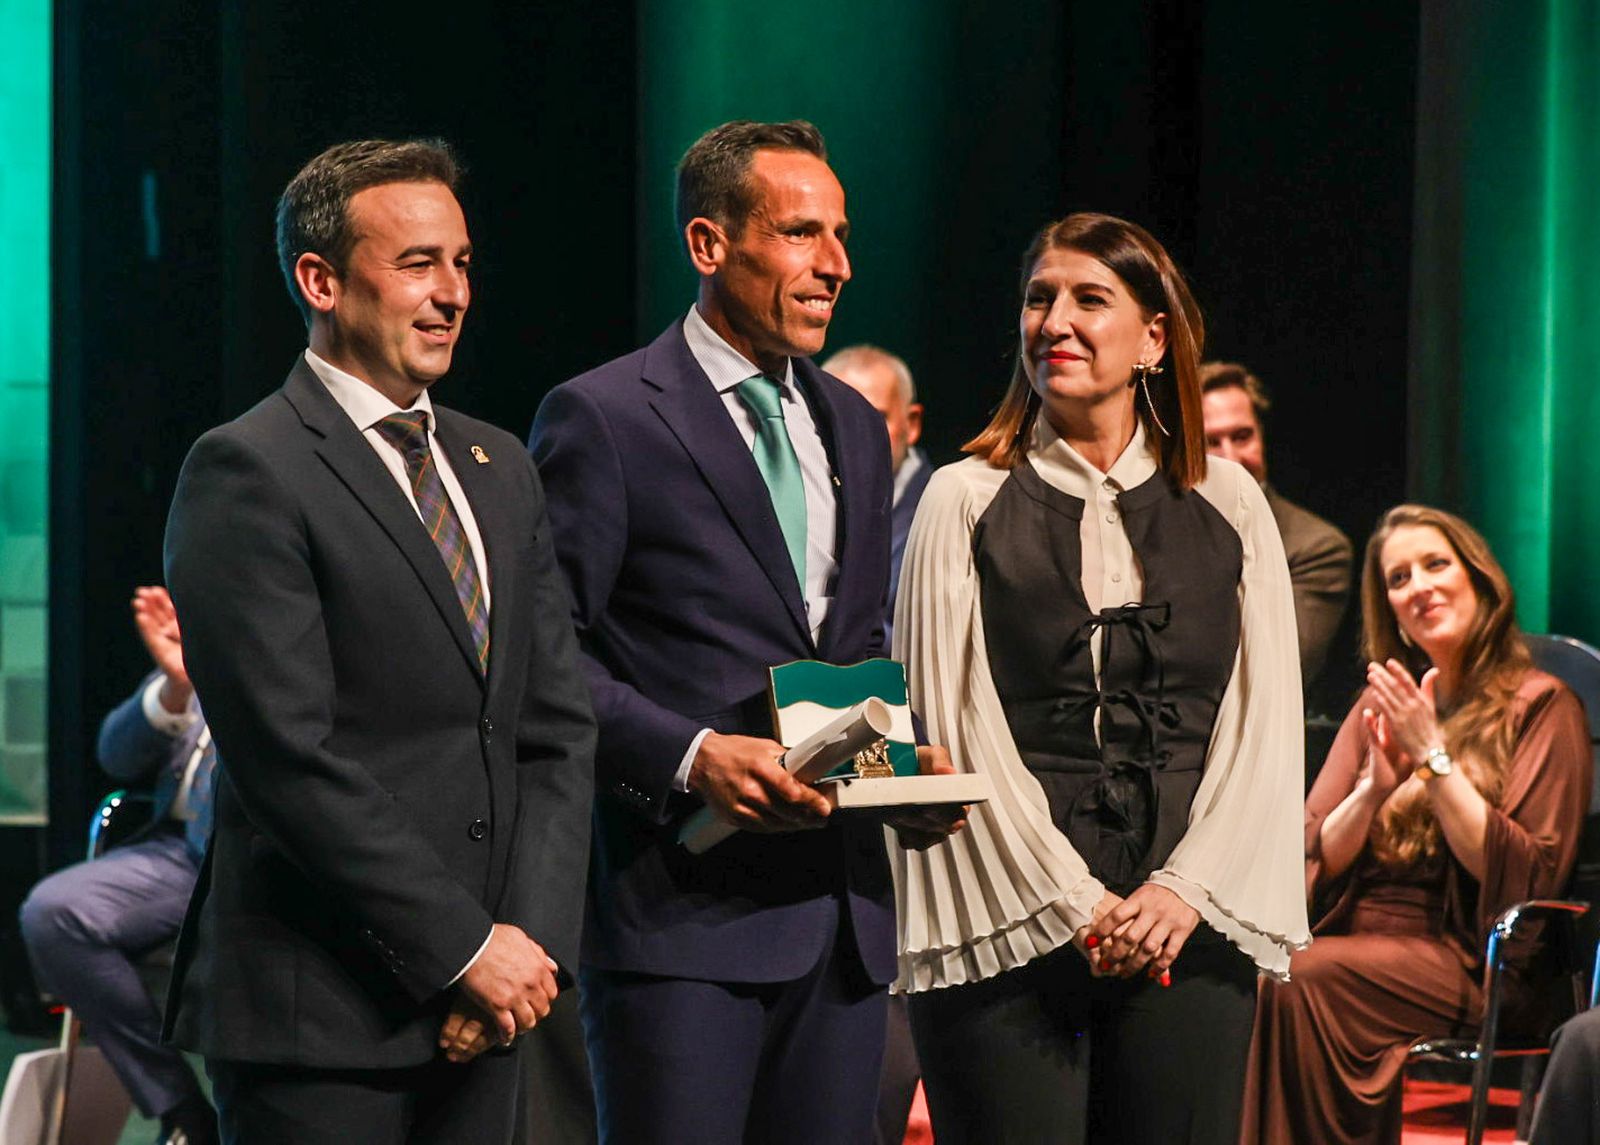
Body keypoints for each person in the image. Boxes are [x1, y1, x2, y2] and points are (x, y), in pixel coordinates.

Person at [529, 119, 962, 1145]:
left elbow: (846, 648)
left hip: (842, 919)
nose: (838, 266)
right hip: (679, 919)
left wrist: (900, 768)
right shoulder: (605, 416)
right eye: (803, 233)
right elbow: (541, 659)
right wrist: (690, 755)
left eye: (842, 236)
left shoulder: (855, 422)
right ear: (708, 243)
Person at [162, 138, 595, 1144]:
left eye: (463, 262)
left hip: (495, 1007)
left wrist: (521, 950)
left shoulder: (498, 465)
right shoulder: (247, 468)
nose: (451, 293)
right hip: (324, 1016)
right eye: (417, 263)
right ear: (320, 278)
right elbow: (288, 758)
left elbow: (556, 729)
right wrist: (459, 948)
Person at [890, 213, 1309, 1144]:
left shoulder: (1229, 501)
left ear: (1154, 339)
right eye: (1040, 299)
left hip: (1187, 931)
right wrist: (1079, 906)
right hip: (1006, 917)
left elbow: (1264, 727)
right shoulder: (961, 498)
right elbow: (946, 730)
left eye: (1089, 299)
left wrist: (1180, 893)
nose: (1055, 322)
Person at [1240, 503, 1591, 1144]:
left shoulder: (1543, 705)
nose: (1418, 587)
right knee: (1253, 969)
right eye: (1398, 579)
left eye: (1435, 564)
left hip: (1471, 958)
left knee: (1297, 976)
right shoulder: (1383, 705)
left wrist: (1432, 757)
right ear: (1391, 612)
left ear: (1479, 580)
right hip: (1353, 939)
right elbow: (1314, 847)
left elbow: (1525, 872)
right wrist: (1374, 789)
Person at [20, 586, 217, 1145]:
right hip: (180, 850)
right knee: (55, 913)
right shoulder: (204, 642)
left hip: (253, 855)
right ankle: (180, 1106)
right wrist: (176, 686)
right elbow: (117, 755)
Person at [819, 343, 931, 1144]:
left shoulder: (948, 503)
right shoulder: (815, 496)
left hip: (928, 799)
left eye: (868, 419)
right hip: (835, 794)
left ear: (908, 424)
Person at [1200, 361, 1353, 692]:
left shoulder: (1314, 546)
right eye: (1211, 442)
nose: (1231, 458)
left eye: (1242, 437)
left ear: (1262, 437)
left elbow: (1279, 669)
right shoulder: (1157, 530)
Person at [821, 344, 930, 650]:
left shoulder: (943, 508)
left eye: (875, 416)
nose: (857, 433)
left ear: (912, 424)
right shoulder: (809, 502)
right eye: (839, 418)